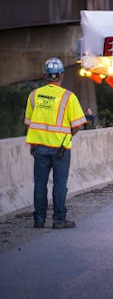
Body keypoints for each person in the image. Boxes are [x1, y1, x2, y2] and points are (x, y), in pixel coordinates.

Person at [24, 57, 87, 229]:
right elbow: (77, 125)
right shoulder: (68, 97)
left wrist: (33, 145)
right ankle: (59, 220)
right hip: (61, 149)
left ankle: (39, 220)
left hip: (39, 149)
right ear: (61, 75)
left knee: (39, 185)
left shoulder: (34, 96)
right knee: (59, 185)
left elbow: (29, 124)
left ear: (45, 75)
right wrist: (66, 136)